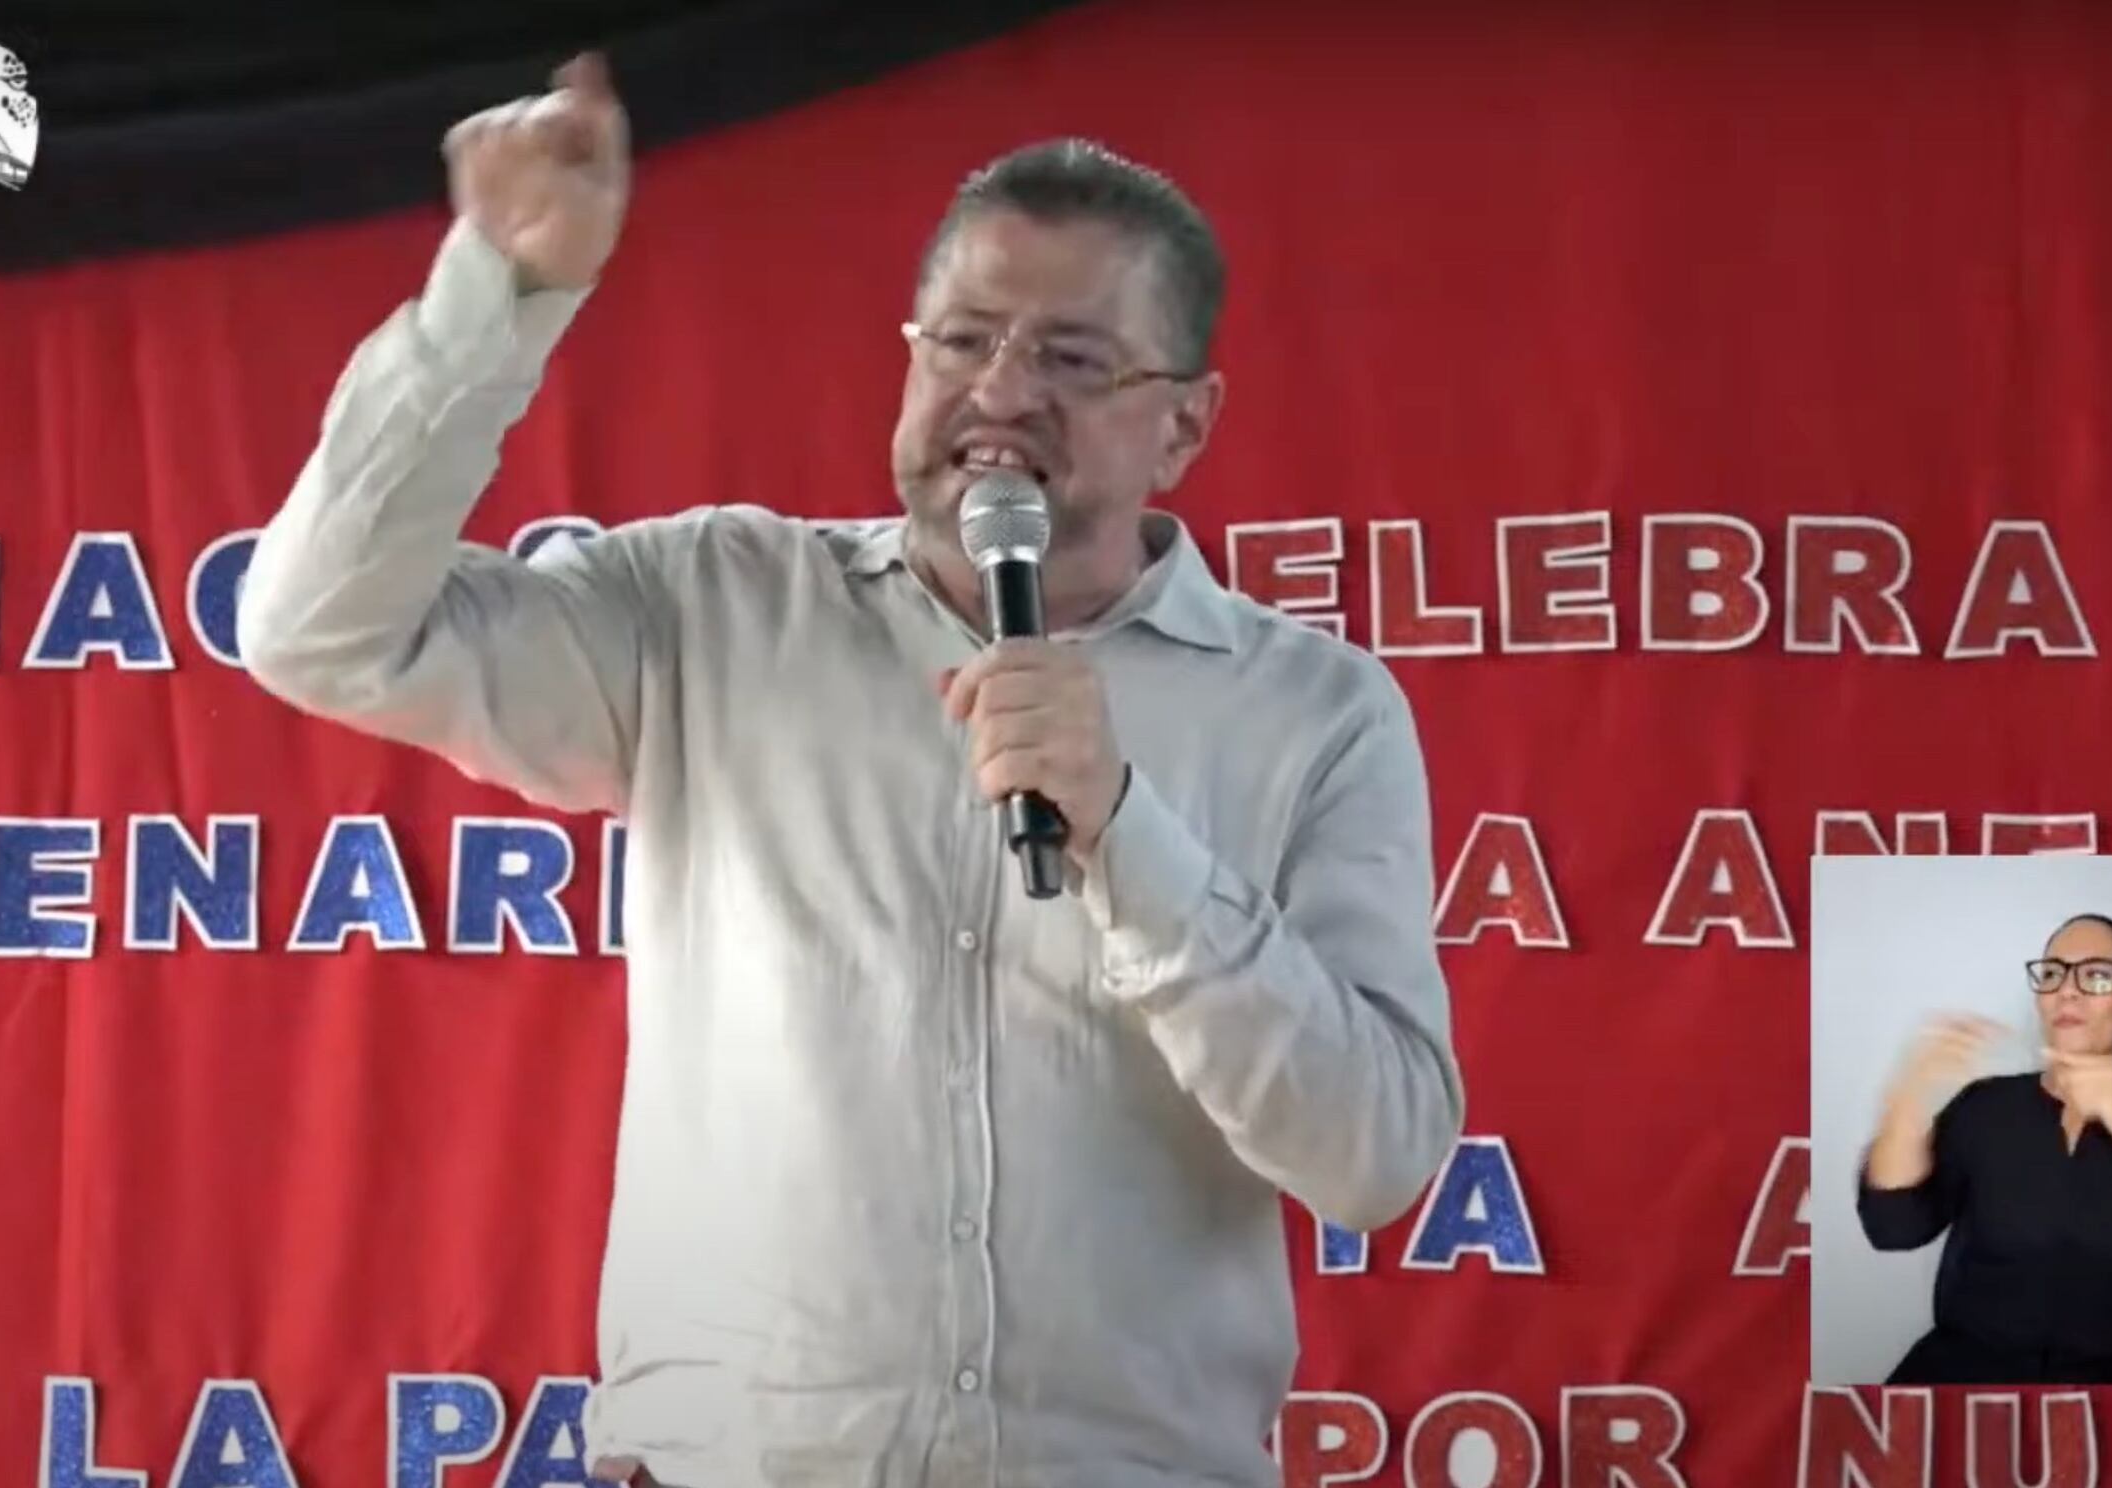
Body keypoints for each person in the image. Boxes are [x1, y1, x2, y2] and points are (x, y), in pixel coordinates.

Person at [234, 52, 1463, 1488]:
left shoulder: (1314, 712)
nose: (1000, 390)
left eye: (1071, 358)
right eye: (961, 340)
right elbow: (316, 633)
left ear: (1183, 423)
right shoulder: (713, 609)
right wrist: (495, 295)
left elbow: (1374, 1157)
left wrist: (1133, 841)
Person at [1855, 912, 2112, 1384]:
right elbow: (1893, 1228)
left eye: (2098, 976)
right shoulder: (1983, 1106)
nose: (2069, 989)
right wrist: (1906, 1104)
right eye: (2053, 973)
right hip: (1968, 1374)